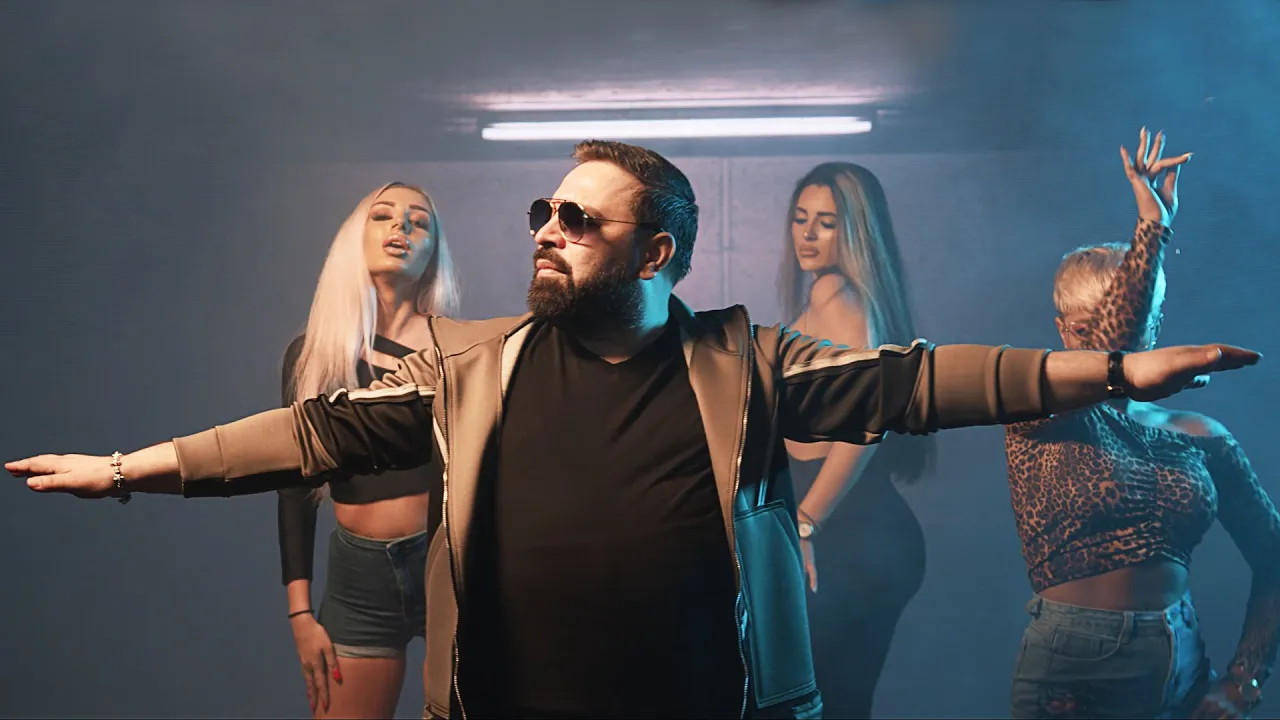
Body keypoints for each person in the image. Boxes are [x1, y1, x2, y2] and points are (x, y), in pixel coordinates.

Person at [8, 140, 1261, 720]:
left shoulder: (746, 363)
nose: (547, 231)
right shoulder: (474, 369)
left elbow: (921, 382)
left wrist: (1115, 368)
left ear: (655, 253)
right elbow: (306, 437)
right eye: (544, 212)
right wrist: (125, 469)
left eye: (581, 220)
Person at [1004, 129, 1279, 719]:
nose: (1101, 343)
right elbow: (1111, 360)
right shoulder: (1039, 408)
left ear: (1155, 319)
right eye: (1083, 330)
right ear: (1061, 329)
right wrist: (1152, 228)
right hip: (1077, 674)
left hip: (1183, 662)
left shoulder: (1198, 432)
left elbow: (1274, 555)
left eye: (1133, 317)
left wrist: (1245, 678)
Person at [278, 182, 459, 717]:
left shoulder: (456, 349)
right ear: (355, 237)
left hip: (444, 561)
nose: (401, 226)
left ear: (432, 254)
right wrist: (300, 615)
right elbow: (294, 486)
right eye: (383, 215)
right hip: (358, 575)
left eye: (419, 222)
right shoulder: (313, 355)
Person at [778, 161, 935, 718]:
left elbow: (864, 426)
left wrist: (806, 523)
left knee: (829, 702)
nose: (808, 234)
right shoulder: (821, 301)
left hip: (851, 537)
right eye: (801, 219)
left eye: (827, 223)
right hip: (854, 535)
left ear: (857, 233)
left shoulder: (842, 301)